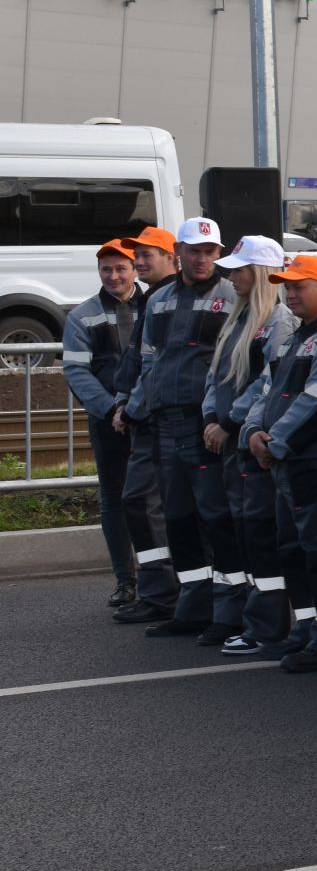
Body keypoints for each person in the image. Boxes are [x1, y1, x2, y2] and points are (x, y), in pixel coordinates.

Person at [123, 218, 237, 637]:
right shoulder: (159, 300)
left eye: (210, 251)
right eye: (195, 250)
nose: (203, 258)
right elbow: (150, 362)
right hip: (166, 422)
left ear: (219, 253)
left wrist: (222, 418)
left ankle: (227, 612)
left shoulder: (232, 296)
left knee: (217, 518)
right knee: (179, 518)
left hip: (203, 422)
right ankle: (192, 607)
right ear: (179, 254)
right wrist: (135, 408)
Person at [242, 254, 317, 672]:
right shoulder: (294, 338)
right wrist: (252, 431)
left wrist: (276, 442)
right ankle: (307, 626)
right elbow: (266, 389)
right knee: (293, 549)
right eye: (287, 287)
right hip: (286, 461)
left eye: (299, 286)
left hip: (314, 461)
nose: (290, 293)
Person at [201, 234, 295, 654]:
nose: (232, 277)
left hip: (248, 441)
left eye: (240, 269)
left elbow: (268, 385)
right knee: (244, 530)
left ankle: (267, 626)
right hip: (233, 440)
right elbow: (216, 376)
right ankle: (256, 621)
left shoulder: (278, 321)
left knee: (260, 533)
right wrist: (211, 417)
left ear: (260, 275)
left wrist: (228, 421)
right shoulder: (239, 318)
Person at [63, 240, 143, 607]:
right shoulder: (82, 316)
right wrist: (113, 409)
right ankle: (126, 581)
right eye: (106, 270)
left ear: (135, 269)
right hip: (108, 421)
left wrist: (135, 408)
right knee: (114, 499)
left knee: (157, 500)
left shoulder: (156, 306)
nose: (113, 276)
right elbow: (76, 371)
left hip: (149, 418)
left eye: (120, 268)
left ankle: (165, 579)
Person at [108, 226, 181, 625]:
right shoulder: (156, 297)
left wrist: (130, 408)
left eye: (148, 254)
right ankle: (162, 592)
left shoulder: (167, 299)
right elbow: (136, 361)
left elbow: (156, 366)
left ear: (172, 258)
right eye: (137, 254)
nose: (138, 261)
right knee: (145, 504)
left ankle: (163, 594)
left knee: (144, 503)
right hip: (146, 416)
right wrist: (123, 400)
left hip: (156, 420)